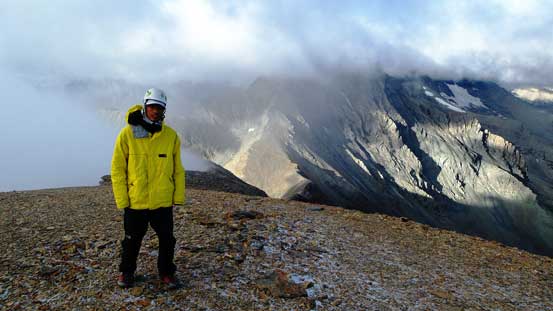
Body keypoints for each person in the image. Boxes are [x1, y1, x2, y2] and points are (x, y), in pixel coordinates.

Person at [111, 87, 185, 289]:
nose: (155, 111)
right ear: (145, 106)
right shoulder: (127, 134)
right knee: (131, 240)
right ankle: (126, 273)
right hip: (136, 200)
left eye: (159, 108)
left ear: (164, 110)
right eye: (152, 106)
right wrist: (122, 200)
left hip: (162, 201)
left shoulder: (171, 136)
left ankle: (167, 273)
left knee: (168, 240)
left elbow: (178, 169)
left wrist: (177, 197)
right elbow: (117, 169)